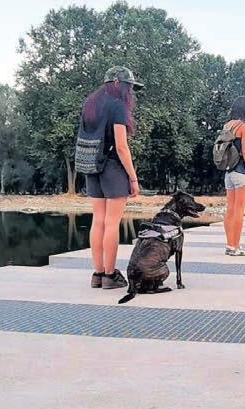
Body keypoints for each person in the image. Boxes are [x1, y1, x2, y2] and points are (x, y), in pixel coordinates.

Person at [81, 66, 142, 289]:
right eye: (129, 86)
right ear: (118, 84)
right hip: (113, 168)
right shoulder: (117, 106)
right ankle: (110, 275)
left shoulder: (90, 104)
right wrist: (133, 178)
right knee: (112, 223)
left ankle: (97, 274)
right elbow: (121, 146)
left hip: (91, 166)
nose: (131, 91)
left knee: (98, 220)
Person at [222, 96, 245, 256]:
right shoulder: (244, 127)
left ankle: (229, 245)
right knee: (239, 210)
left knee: (230, 209)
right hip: (241, 172)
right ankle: (236, 247)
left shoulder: (226, 126)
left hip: (228, 172)